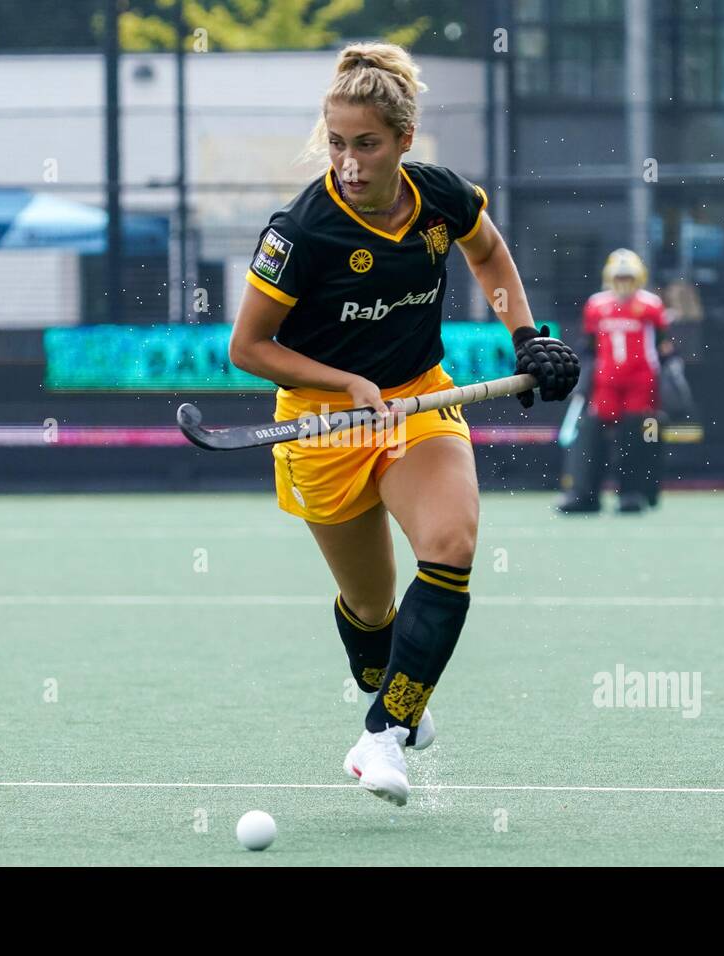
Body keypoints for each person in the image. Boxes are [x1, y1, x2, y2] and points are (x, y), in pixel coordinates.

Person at [228, 42, 578, 805]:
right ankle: (387, 690)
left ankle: (382, 736)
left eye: (367, 144)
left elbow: (489, 256)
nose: (349, 163)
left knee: (449, 548)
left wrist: (527, 336)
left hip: (420, 401)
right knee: (370, 611)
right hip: (325, 424)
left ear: (404, 141)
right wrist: (346, 381)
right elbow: (248, 348)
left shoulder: (443, 197)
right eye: (338, 144)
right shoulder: (303, 230)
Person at [556, 248, 673, 514]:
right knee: (591, 434)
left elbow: (664, 345)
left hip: (641, 381)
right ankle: (585, 494)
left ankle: (632, 493)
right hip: (605, 381)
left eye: (628, 277)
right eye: (619, 277)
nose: (623, 283)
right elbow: (589, 346)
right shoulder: (596, 305)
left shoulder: (651, 305)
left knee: (635, 435)